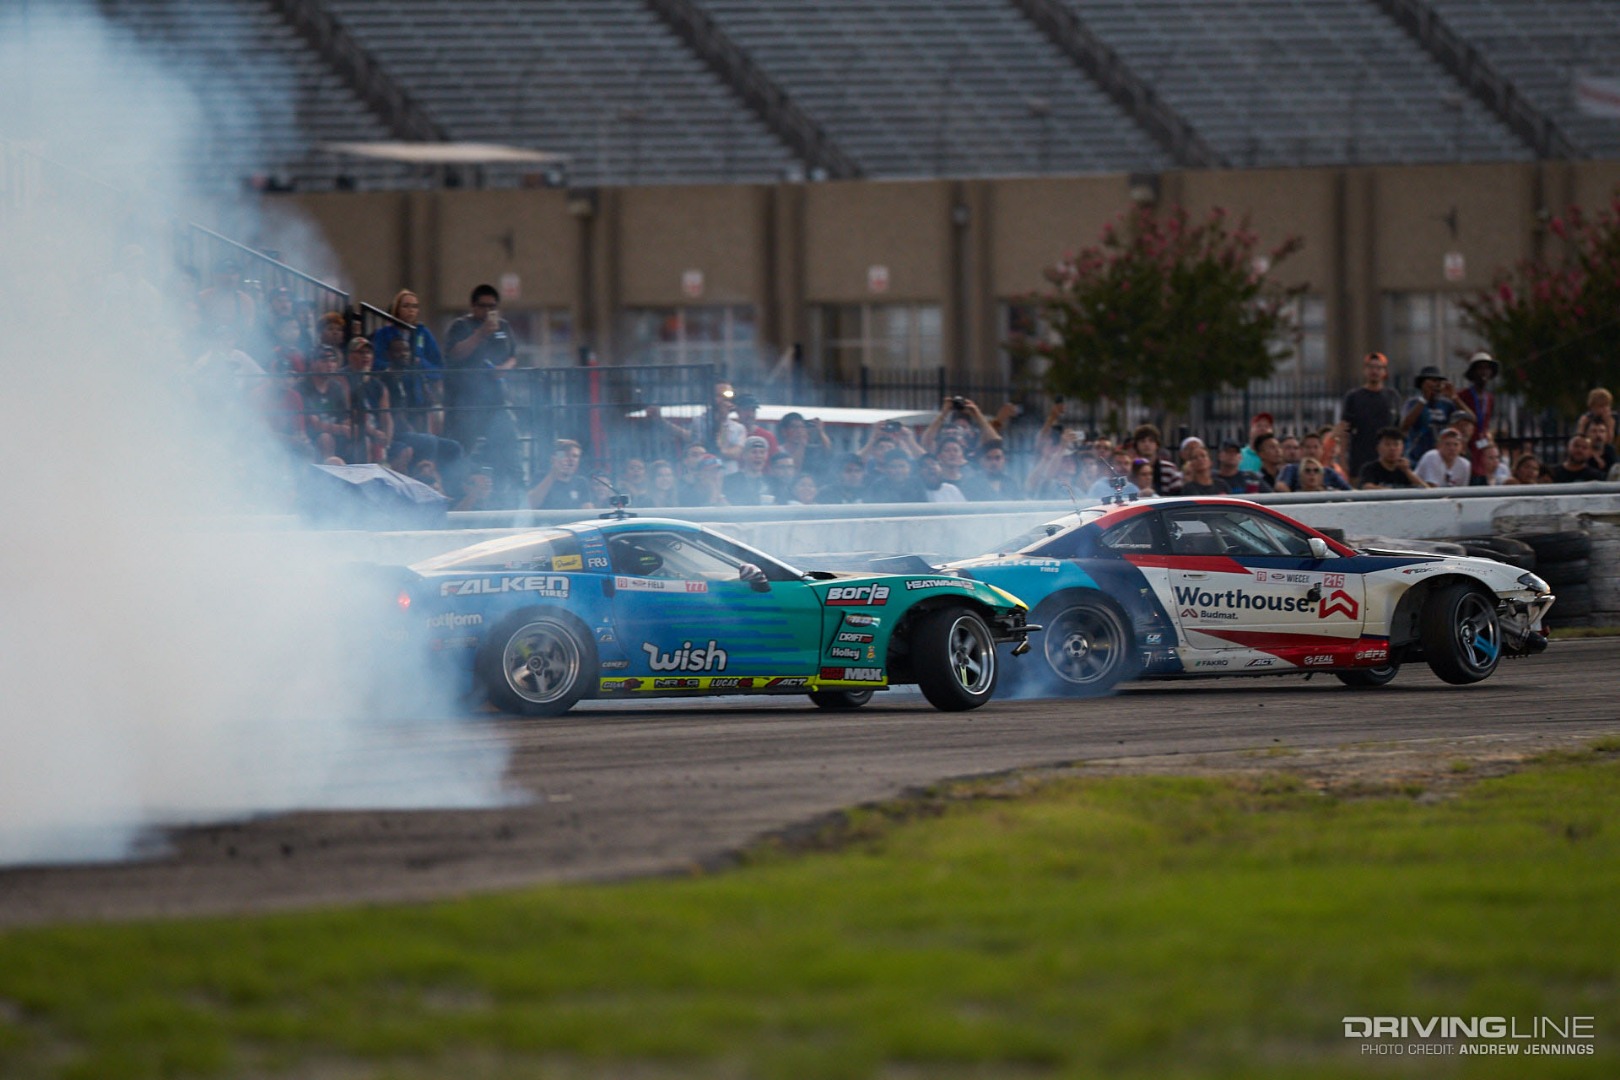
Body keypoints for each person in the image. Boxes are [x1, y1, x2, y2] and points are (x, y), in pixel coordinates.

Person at [444, 284, 522, 500]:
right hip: (467, 401)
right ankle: (457, 495)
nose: (488, 311)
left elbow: (513, 356)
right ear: (473, 306)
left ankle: (514, 496)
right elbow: (454, 354)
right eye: (483, 306)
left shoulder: (504, 327)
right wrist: (480, 333)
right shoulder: (460, 326)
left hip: (496, 400)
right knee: (463, 450)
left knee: (508, 446)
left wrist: (504, 369)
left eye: (492, 306)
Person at [372, 289, 445, 435]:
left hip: (418, 395)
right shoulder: (383, 333)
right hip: (393, 394)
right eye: (405, 306)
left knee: (422, 435)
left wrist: (420, 363)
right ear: (397, 309)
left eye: (414, 306)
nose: (410, 310)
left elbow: (438, 366)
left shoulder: (423, 333)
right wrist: (392, 367)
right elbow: (375, 362)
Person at [1341, 352, 1403, 479]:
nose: (1374, 371)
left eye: (1378, 368)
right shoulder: (1354, 397)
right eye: (1370, 367)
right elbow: (1344, 430)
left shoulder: (1392, 396)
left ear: (1384, 372)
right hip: (1360, 460)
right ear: (1365, 370)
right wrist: (1343, 460)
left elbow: (1399, 430)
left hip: (1387, 461)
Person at [342, 337, 392, 464]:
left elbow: (386, 417)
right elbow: (349, 413)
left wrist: (387, 440)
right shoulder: (342, 379)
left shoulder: (378, 385)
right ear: (350, 356)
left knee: (405, 449)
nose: (366, 356)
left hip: (375, 432)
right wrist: (374, 432)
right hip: (355, 430)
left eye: (368, 353)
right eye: (361, 353)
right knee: (365, 443)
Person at [1401, 366, 1464, 464]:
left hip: (1441, 460)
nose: (1437, 385)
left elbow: (1470, 418)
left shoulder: (1447, 405)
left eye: (1439, 382)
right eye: (1433, 381)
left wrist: (1454, 397)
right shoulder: (1413, 403)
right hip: (1417, 459)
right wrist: (1424, 399)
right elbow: (1405, 426)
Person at [299, 344, 350, 461]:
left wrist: (352, 428)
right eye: (324, 360)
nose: (330, 365)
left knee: (362, 439)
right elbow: (314, 425)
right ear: (313, 362)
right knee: (325, 438)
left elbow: (344, 417)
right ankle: (327, 478)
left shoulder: (337, 387)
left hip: (337, 433)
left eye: (333, 360)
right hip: (311, 436)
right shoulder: (303, 387)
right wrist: (342, 429)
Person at [1455, 351, 1497, 480]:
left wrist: (1489, 437)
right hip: (1467, 446)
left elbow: (1488, 423)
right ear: (1472, 373)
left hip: (1482, 447)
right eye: (1480, 368)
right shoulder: (1463, 396)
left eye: (1487, 368)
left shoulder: (1489, 398)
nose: (1484, 372)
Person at [526, 438, 596, 511]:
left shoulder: (580, 482)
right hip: (547, 522)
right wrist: (553, 474)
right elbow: (531, 504)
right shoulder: (541, 477)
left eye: (575, 456)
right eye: (566, 455)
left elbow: (587, 510)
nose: (571, 460)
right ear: (554, 459)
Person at [1276, 430, 1350, 491]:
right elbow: (1281, 487)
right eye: (1308, 447)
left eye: (1316, 447)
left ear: (1322, 450)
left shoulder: (1329, 472)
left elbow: (1348, 490)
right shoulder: (1291, 469)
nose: (1312, 451)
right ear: (1301, 450)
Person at [1357, 427, 1427, 489]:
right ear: (1378, 448)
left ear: (1402, 448)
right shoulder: (1370, 468)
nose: (1392, 448)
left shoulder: (1405, 471)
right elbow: (1367, 487)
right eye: (1387, 444)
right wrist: (1394, 491)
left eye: (1396, 445)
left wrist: (1407, 471)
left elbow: (1425, 490)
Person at [774, 411, 833, 481]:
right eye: (794, 427)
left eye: (802, 427)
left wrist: (820, 431)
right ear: (784, 431)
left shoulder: (810, 449)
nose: (799, 431)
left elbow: (827, 449)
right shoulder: (778, 451)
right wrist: (801, 445)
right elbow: (794, 470)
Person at [723, 436, 775, 505]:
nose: (758, 456)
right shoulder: (729, 481)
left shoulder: (774, 483)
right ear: (744, 455)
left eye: (762, 452)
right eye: (754, 452)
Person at [1131, 424, 1182, 494]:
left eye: (1151, 441)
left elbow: (1177, 496)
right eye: (1142, 441)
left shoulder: (1170, 469)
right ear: (1136, 445)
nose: (1147, 444)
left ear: (1157, 444)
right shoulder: (1131, 468)